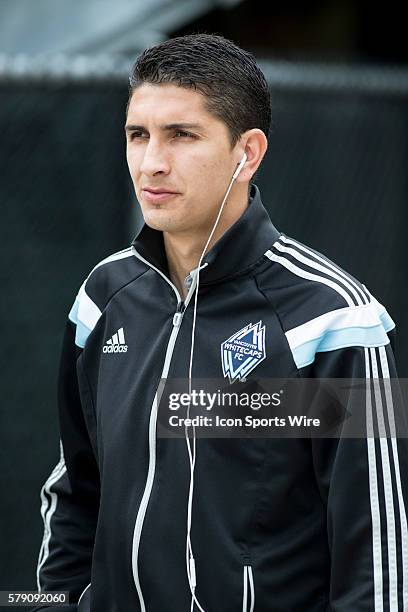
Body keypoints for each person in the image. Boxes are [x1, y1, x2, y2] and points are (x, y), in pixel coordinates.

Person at [33, 33, 407, 612]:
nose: (152, 162)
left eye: (182, 135)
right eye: (138, 135)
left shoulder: (335, 319)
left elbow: (377, 550)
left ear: (247, 152)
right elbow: (77, 491)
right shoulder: (103, 298)